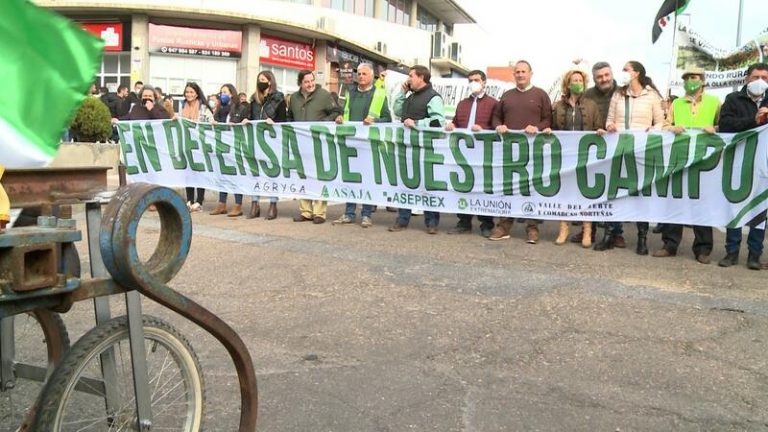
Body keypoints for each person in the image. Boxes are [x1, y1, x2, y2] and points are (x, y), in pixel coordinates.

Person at [594, 60, 664, 255]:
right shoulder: (618, 94)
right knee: (614, 192)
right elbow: (610, 120)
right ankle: (609, 234)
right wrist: (610, 127)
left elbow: (660, 122)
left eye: (626, 69)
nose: (623, 73)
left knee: (640, 193)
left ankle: (642, 238)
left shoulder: (651, 96)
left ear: (636, 73)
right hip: (619, 148)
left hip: (641, 150)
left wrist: (653, 129)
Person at [653, 69, 719, 264]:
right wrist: (671, 128)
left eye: (694, 78)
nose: (690, 81)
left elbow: (724, 126)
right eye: (687, 78)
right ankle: (670, 245)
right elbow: (665, 125)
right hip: (679, 159)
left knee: (701, 203)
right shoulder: (676, 103)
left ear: (702, 81)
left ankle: (703, 249)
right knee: (675, 201)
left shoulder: (714, 102)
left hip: (704, 160)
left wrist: (715, 128)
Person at [489, 60, 552, 244]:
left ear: (531, 73)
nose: (520, 74)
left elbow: (548, 119)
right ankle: (504, 226)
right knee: (508, 188)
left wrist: (538, 127)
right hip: (509, 152)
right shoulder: (507, 95)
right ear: (514, 74)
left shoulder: (540, 94)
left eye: (524, 71)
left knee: (530, 189)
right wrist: (498, 125)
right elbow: (496, 117)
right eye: (517, 72)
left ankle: (532, 228)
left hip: (533, 152)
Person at [543, 69, 605, 248]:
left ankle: (587, 230)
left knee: (585, 192)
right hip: (564, 156)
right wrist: (548, 129)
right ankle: (564, 229)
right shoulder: (558, 106)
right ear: (568, 84)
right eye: (574, 80)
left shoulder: (592, 105)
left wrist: (600, 130)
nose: (578, 82)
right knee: (565, 192)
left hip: (586, 156)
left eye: (580, 80)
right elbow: (551, 125)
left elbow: (598, 126)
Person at [717, 62, 768, 270]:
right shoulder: (733, 99)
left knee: (759, 208)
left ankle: (754, 254)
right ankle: (731, 252)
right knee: (735, 205)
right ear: (747, 78)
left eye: (765, 78)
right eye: (756, 77)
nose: (760, 82)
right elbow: (726, 125)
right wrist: (753, 121)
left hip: (764, 162)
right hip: (739, 159)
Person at [332, 63, 392, 228]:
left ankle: (366, 214)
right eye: (359, 73)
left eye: (364, 73)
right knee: (350, 178)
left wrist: (375, 121)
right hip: (351, 141)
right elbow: (343, 111)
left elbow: (388, 119)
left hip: (369, 143)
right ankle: (349, 212)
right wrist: (339, 117)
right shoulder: (350, 92)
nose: (361, 76)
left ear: (372, 76)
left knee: (367, 179)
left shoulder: (379, 94)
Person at [388, 65, 446, 234]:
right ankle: (402, 219)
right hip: (407, 146)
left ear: (421, 77)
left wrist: (417, 124)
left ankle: (432, 221)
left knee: (428, 185)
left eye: (411, 76)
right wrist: (402, 93)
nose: (409, 79)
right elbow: (398, 111)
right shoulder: (410, 96)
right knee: (406, 183)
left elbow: (438, 122)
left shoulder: (433, 97)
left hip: (425, 147)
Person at [444, 69, 498, 238]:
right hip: (464, 154)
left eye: (476, 79)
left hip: (484, 152)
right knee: (464, 187)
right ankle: (464, 222)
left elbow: (498, 127)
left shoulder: (494, 104)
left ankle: (486, 223)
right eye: (470, 80)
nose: (473, 83)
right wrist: (451, 125)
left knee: (483, 188)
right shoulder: (462, 104)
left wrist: (484, 130)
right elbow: (456, 122)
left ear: (484, 82)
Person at [570, 61, 617, 244]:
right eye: (599, 76)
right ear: (595, 78)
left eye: (606, 75)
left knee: (613, 190)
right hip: (592, 147)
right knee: (591, 190)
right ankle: (588, 230)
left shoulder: (621, 92)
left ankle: (616, 233)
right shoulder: (587, 95)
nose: (604, 79)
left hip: (615, 145)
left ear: (611, 74)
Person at [287, 70, 343, 224]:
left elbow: (337, 111)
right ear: (300, 83)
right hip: (301, 143)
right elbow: (289, 117)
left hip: (319, 142)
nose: (310, 84)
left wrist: (324, 122)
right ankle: (305, 211)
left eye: (312, 80)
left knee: (318, 177)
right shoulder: (294, 98)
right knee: (303, 177)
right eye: (306, 82)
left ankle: (319, 212)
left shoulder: (324, 96)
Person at [246, 70, 287, 220]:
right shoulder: (254, 99)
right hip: (256, 139)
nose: (260, 82)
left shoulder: (279, 99)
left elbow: (284, 120)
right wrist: (245, 120)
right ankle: (254, 203)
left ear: (270, 81)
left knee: (272, 173)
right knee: (254, 172)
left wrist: (274, 122)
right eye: (259, 79)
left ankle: (273, 204)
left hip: (272, 141)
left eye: (263, 79)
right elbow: (249, 116)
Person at [210, 83, 250, 217]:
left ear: (232, 94)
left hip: (236, 146)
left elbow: (246, 123)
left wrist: (240, 123)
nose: (223, 95)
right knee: (223, 174)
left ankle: (238, 205)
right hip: (222, 146)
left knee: (236, 175)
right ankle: (222, 204)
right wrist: (214, 122)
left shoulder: (241, 108)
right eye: (221, 92)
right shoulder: (219, 109)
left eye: (225, 92)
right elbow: (215, 122)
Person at [178, 82, 214, 212]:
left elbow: (211, 122)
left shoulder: (203, 108)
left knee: (199, 172)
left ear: (197, 94)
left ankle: (199, 201)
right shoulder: (182, 107)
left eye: (191, 92)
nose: (189, 94)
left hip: (200, 144)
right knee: (188, 173)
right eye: (187, 92)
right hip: (186, 144)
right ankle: (189, 199)